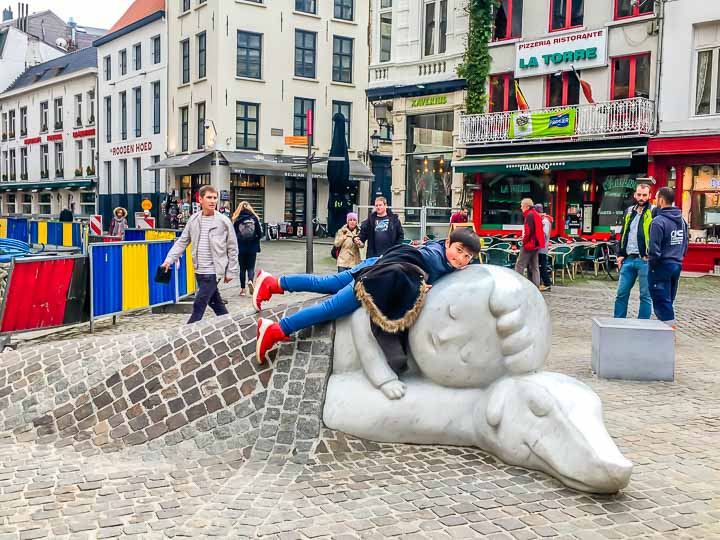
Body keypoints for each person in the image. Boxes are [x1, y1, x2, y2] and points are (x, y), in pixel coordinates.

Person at [252, 227, 482, 365]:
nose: (461, 259)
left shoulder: (441, 252)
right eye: (459, 251)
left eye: (467, 256)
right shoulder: (434, 258)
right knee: (329, 308)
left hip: (376, 264)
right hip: (375, 279)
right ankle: (275, 330)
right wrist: (418, 282)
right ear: (449, 243)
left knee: (327, 282)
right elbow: (411, 265)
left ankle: (273, 284)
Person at [162, 186, 239, 324]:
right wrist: (169, 260)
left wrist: (231, 271)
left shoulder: (224, 221)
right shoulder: (193, 220)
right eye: (209, 197)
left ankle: (186, 334)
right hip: (199, 269)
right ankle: (231, 325)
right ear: (200, 199)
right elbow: (182, 241)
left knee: (199, 304)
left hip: (214, 270)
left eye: (215, 198)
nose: (213, 201)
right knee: (216, 303)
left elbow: (232, 248)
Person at [647, 187, 688, 328]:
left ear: (661, 200)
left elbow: (654, 248)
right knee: (669, 297)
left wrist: (652, 265)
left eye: (656, 198)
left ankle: (669, 331)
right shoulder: (682, 220)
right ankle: (665, 329)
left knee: (660, 298)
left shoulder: (658, 221)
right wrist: (680, 257)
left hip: (662, 264)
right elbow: (685, 243)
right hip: (676, 263)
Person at [613, 183, 653, 319]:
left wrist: (652, 255)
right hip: (628, 259)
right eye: (639, 194)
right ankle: (618, 323)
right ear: (635, 195)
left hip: (645, 260)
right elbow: (624, 233)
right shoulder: (629, 211)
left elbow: (658, 236)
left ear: (649, 196)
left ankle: (643, 326)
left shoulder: (653, 211)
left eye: (644, 195)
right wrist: (619, 254)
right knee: (621, 294)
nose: (641, 198)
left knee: (645, 296)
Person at [232, 201, 262, 296]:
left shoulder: (237, 219)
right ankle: (250, 281)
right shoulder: (254, 218)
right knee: (251, 267)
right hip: (252, 247)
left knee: (242, 268)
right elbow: (260, 234)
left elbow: (233, 234)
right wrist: (255, 239)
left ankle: (243, 290)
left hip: (240, 247)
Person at [514, 198, 545, 287]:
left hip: (529, 244)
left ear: (526, 206)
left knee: (520, 265)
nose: (521, 207)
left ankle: (517, 284)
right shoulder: (536, 214)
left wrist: (524, 241)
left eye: (522, 205)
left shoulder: (529, 215)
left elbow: (528, 231)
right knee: (534, 266)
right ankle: (535, 286)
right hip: (536, 244)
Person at [534, 203, 553, 292]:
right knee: (540, 265)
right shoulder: (543, 220)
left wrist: (537, 241)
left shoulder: (545, 221)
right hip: (541, 247)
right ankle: (543, 282)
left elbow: (544, 234)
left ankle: (547, 283)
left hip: (541, 248)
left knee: (542, 266)